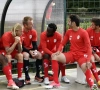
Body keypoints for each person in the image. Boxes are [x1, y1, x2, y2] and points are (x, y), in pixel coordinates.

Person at [45, 15, 98, 90]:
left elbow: (89, 48)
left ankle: (92, 86)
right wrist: (58, 51)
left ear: (73, 23)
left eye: (69, 21)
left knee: (85, 66)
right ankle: (56, 82)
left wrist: (88, 60)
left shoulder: (83, 32)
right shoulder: (69, 31)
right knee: (54, 56)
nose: (68, 23)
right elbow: (62, 43)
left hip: (81, 55)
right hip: (72, 54)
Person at [22, 16, 43, 84]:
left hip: (30, 49)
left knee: (39, 55)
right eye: (30, 24)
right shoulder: (21, 32)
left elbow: (34, 44)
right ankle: (27, 77)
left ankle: (37, 75)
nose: (32, 25)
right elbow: (21, 47)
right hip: (22, 50)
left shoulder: (33, 31)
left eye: (32, 23)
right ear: (25, 25)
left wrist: (35, 51)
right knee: (26, 55)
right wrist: (29, 52)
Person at [86, 17, 100, 83]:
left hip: (98, 49)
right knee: (92, 59)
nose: (91, 26)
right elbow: (86, 45)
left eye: (93, 24)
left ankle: (96, 74)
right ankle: (97, 78)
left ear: (97, 26)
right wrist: (95, 54)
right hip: (89, 49)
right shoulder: (88, 31)